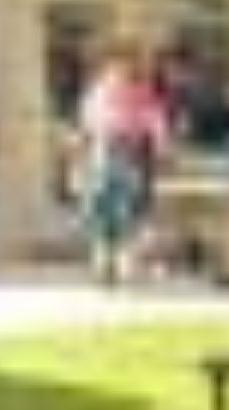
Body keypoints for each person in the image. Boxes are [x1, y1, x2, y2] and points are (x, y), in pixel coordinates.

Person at [76, 45, 169, 287]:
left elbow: (155, 123)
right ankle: (104, 266)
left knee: (127, 212)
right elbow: (87, 126)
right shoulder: (98, 92)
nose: (121, 69)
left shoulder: (141, 93)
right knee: (102, 212)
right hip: (105, 152)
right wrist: (82, 157)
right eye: (118, 64)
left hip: (128, 153)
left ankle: (122, 266)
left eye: (127, 64)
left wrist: (159, 147)